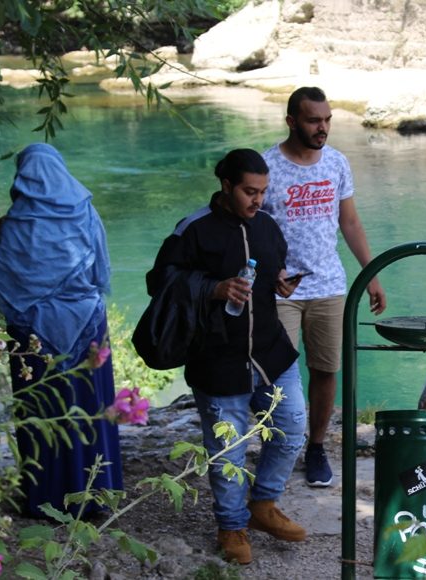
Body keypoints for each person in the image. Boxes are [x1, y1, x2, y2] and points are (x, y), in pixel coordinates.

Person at [147, 149, 307, 565]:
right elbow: (160, 281)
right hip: (217, 359)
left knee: (292, 428)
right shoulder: (193, 229)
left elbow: (272, 270)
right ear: (226, 186)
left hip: (271, 353)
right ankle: (231, 525)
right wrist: (213, 289)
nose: (259, 200)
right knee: (227, 452)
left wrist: (280, 282)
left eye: (263, 192)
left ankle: (263, 505)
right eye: (250, 192)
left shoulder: (268, 225)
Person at [0, 143, 123, 517]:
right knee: (90, 407)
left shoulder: (14, 225)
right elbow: (100, 273)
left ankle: (46, 499)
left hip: (33, 336)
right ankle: (97, 494)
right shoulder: (85, 212)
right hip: (88, 325)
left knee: (42, 412)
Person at [262, 86, 386, 488]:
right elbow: (251, 228)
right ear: (291, 121)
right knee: (277, 373)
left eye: (328, 119)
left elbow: (349, 222)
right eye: (314, 120)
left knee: (326, 369)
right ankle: (278, 446)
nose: (323, 127)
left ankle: (315, 447)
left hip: (329, 285)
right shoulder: (267, 166)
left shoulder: (336, 162)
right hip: (281, 290)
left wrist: (372, 275)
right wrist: (268, 272)